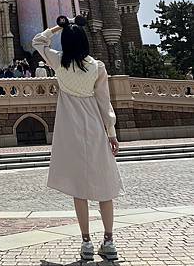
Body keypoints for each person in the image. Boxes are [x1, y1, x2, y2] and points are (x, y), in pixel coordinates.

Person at [32, 15, 123, 263]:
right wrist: (111, 133)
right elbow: (105, 102)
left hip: (69, 130)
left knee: (79, 190)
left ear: (66, 43)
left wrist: (59, 27)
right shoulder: (97, 67)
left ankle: (86, 243)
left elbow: (37, 41)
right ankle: (109, 241)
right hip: (94, 126)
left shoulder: (58, 61)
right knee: (105, 187)